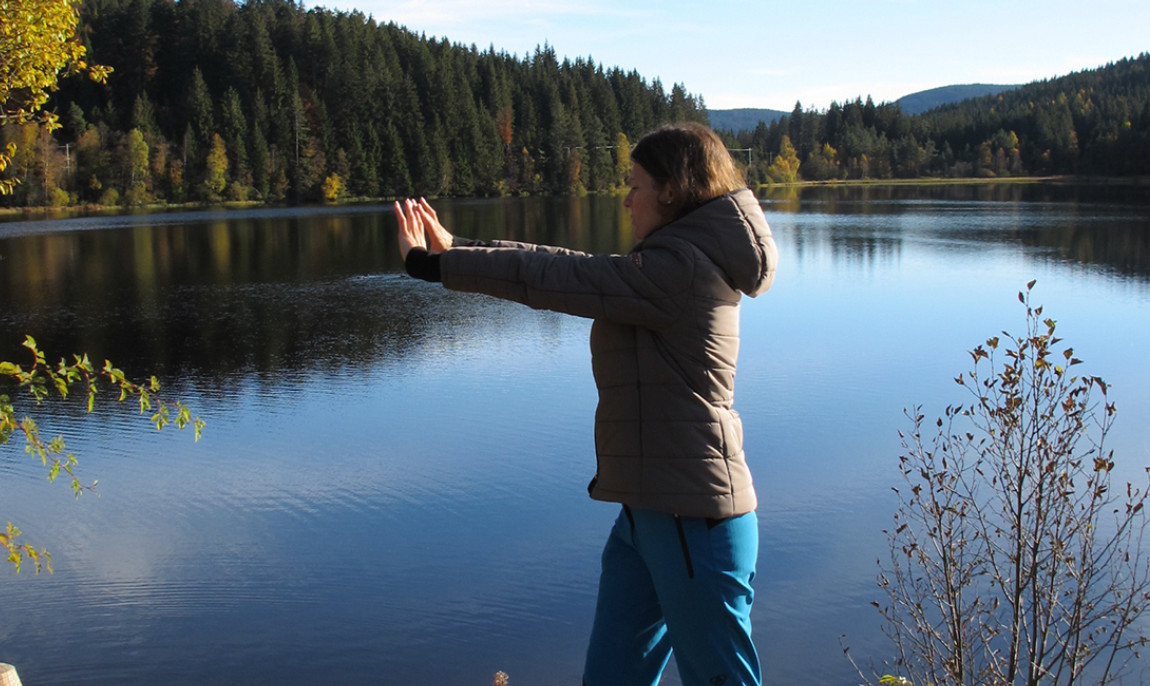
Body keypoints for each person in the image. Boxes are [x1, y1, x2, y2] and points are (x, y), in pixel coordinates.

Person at [395, 122, 777, 686]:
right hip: (649, 514)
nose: (626, 199)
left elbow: (562, 277)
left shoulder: (681, 269)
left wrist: (433, 265)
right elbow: (569, 264)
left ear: (670, 190)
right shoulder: (672, 261)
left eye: (635, 184)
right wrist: (459, 249)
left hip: (692, 516)